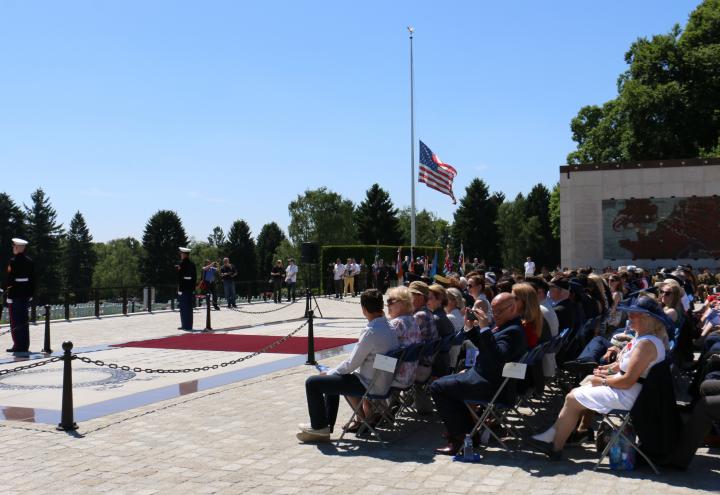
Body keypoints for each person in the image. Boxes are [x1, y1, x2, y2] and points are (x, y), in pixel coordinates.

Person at [527, 296, 671, 459]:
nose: (629, 318)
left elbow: (627, 380)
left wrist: (602, 380)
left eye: (633, 315)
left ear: (647, 319)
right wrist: (606, 369)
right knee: (577, 390)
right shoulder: (643, 338)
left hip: (631, 395)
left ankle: (555, 446)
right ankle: (557, 436)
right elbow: (623, 365)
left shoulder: (646, 344)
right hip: (633, 390)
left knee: (573, 398)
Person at [430, 292, 528, 454]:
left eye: (499, 312)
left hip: (493, 384)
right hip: (485, 375)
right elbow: (486, 348)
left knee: (438, 387)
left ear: (512, 308)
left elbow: (496, 356)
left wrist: (484, 328)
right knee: (444, 384)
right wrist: (471, 329)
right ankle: (469, 434)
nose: (495, 316)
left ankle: (459, 439)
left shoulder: (514, 331)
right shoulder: (507, 326)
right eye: (493, 312)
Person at [297, 289, 398, 442]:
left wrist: (330, 372)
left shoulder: (372, 331)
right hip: (384, 381)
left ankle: (319, 427)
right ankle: (326, 426)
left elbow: (351, 364)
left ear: (364, 310)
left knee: (313, 382)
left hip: (370, 385)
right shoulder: (390, 328)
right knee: (334, 379)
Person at [2, 238, 34, 353]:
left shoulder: (13, 261)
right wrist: (31, 293)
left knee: (15, 321)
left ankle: (17, 345)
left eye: (14, 246)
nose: (13, 248)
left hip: (15, 294)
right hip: (25, 293)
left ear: (17, 247)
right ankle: (25, 345)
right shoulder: (29, 261)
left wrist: (9, 296)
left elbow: (10, 280)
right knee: (24, 320)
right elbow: (33, 279)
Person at [176, 247, 196, 330]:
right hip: (190, 288)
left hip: (184, 288)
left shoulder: (182, 264)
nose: (180, 255)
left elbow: (182, 277)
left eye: (181, 254)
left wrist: (180, 289)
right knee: (188, 307)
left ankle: (185, 325)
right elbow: (194, 277)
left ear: (184, 254)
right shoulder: (192, 264)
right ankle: (187, 325)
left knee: (184, 307)